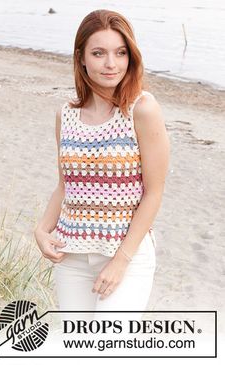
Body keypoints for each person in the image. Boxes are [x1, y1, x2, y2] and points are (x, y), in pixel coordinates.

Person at [34, 9, 170, 322]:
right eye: (99, 53)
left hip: (126, 257)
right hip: (71, 256)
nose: (111, 64)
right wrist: (41, 229)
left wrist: (121, 261)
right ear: (81, 57)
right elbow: (66, 185)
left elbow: (154, 191)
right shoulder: (65, 115)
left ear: (131, 57)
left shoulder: (142, 108)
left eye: (120, 53)